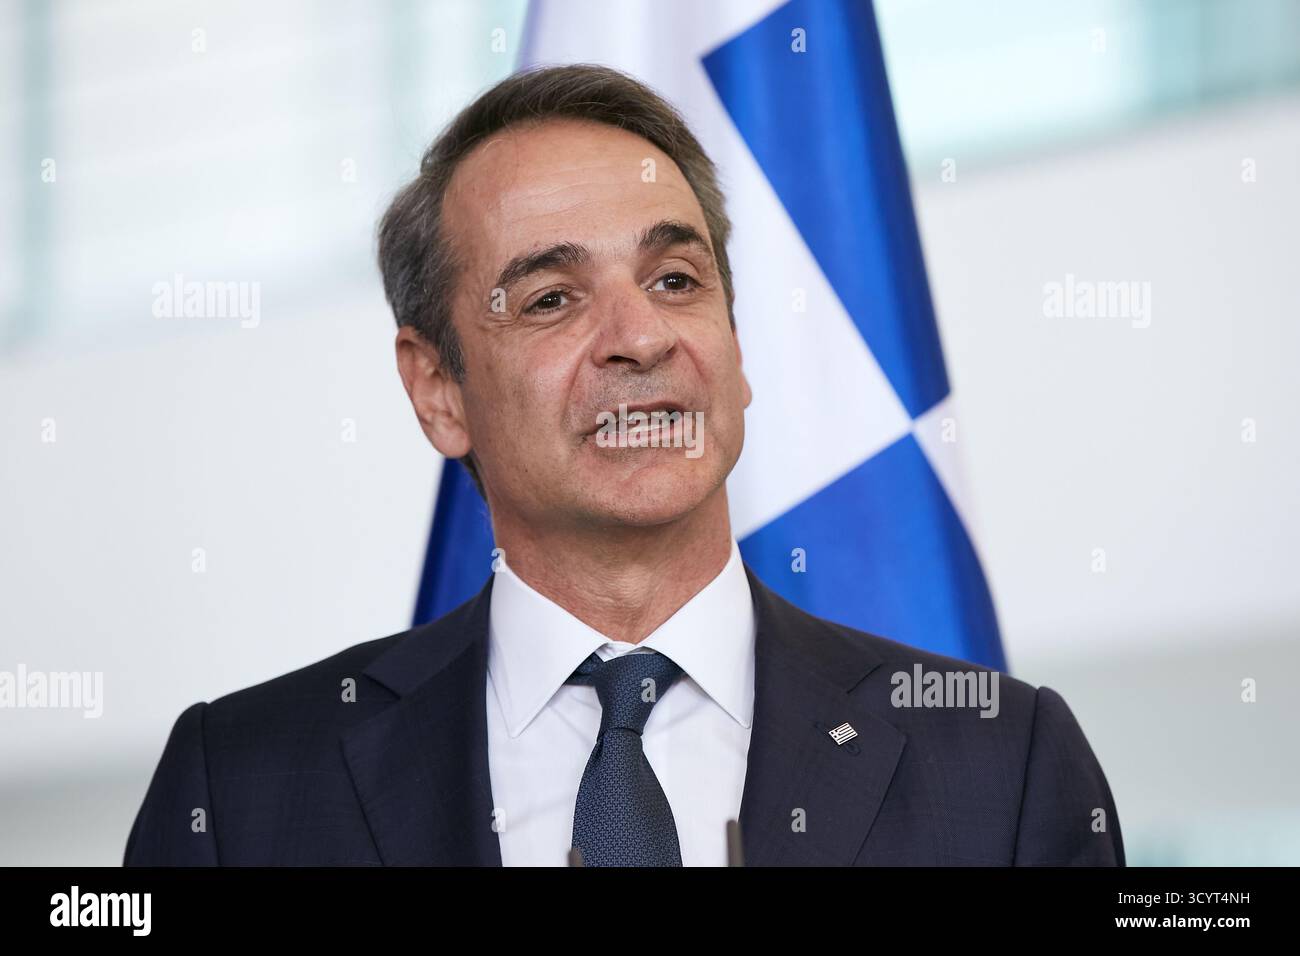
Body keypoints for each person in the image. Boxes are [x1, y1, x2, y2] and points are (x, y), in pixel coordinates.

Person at [124, 64, 1123, 867]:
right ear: (438, 389)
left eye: (675, 279)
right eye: (552, 297)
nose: (639, 337)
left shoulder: (1003, 761)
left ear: (735, 347)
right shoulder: (243, 787)